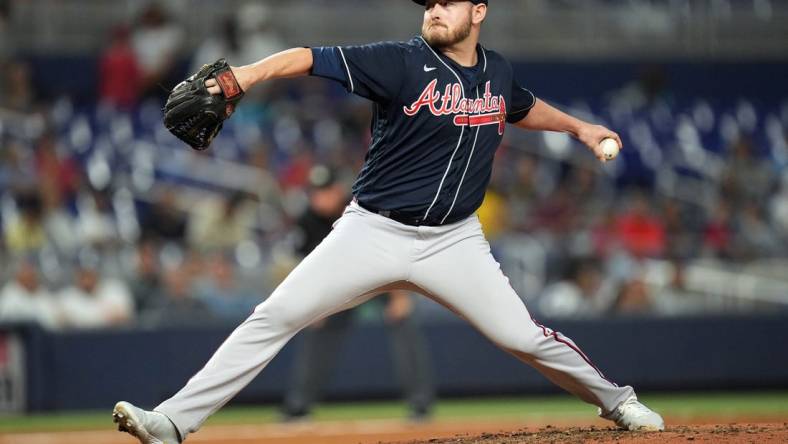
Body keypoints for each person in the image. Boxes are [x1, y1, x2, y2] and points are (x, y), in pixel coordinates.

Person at [113, 1, 664, 442]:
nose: (433, 10)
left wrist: (580, 129)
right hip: (372, 231)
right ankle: (173, 422)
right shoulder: (399, 61)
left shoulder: (497, 72)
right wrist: (245, 76)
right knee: (274, 315)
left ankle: (617, 400)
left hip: (454, 241)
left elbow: (519, 106)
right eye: (429, 4)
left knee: (523, 337)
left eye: (447, 3)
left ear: (479, 11)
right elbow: (308, 55)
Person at [282, 166, 434, 422]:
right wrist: (312, 304)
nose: (320, 198)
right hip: (340, 283)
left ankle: (420, 404)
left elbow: (392, 249)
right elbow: (306, 267)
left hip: (380, 276)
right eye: (315, 193)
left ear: (338, 190)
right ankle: (298, 406)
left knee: (404, 324)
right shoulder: (307, 220)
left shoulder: (362, 207)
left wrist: (399, 295)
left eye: (325, 191)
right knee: (316, 332)